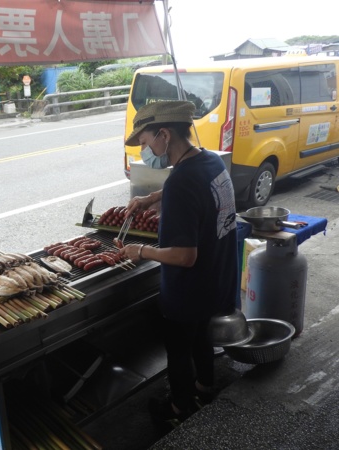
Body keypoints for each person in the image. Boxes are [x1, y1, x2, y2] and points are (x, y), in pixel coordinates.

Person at [118, 100, 237, 431]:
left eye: (145, 142)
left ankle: (178, 408)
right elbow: (190, 183)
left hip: (189, 287)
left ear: (164, 135)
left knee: (179, 349)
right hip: (217, 274)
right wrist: (152, 197)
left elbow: (185, 256)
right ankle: (204, 387)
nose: (145, 151)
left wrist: (141, 250)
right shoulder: (210, 160)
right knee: (201, 336)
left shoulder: (182, 182)